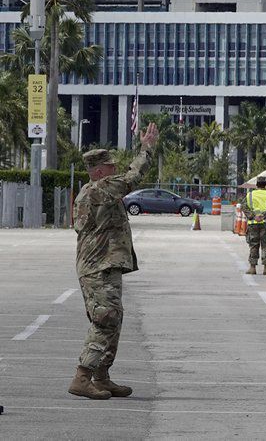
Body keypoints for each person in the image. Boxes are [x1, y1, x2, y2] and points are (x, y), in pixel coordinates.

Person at [69, 122, 158, 400]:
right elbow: (133, 177)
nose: (114, 169)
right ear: (98, 171)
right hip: (97, 268)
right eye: (109, 167)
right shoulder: (98, 190)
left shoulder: (100, 190)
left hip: (105, 266)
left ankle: (101, 376)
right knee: (105, 320)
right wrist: (146, 148)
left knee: (113, 320)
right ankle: (82, 376)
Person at [244, 177, 266, 275]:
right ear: (265, 184)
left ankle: (252, 267)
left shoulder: (250, 195)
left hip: (253, 224)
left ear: (256, 185)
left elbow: (244, 207)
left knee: (254, 245)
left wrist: (253, 216)